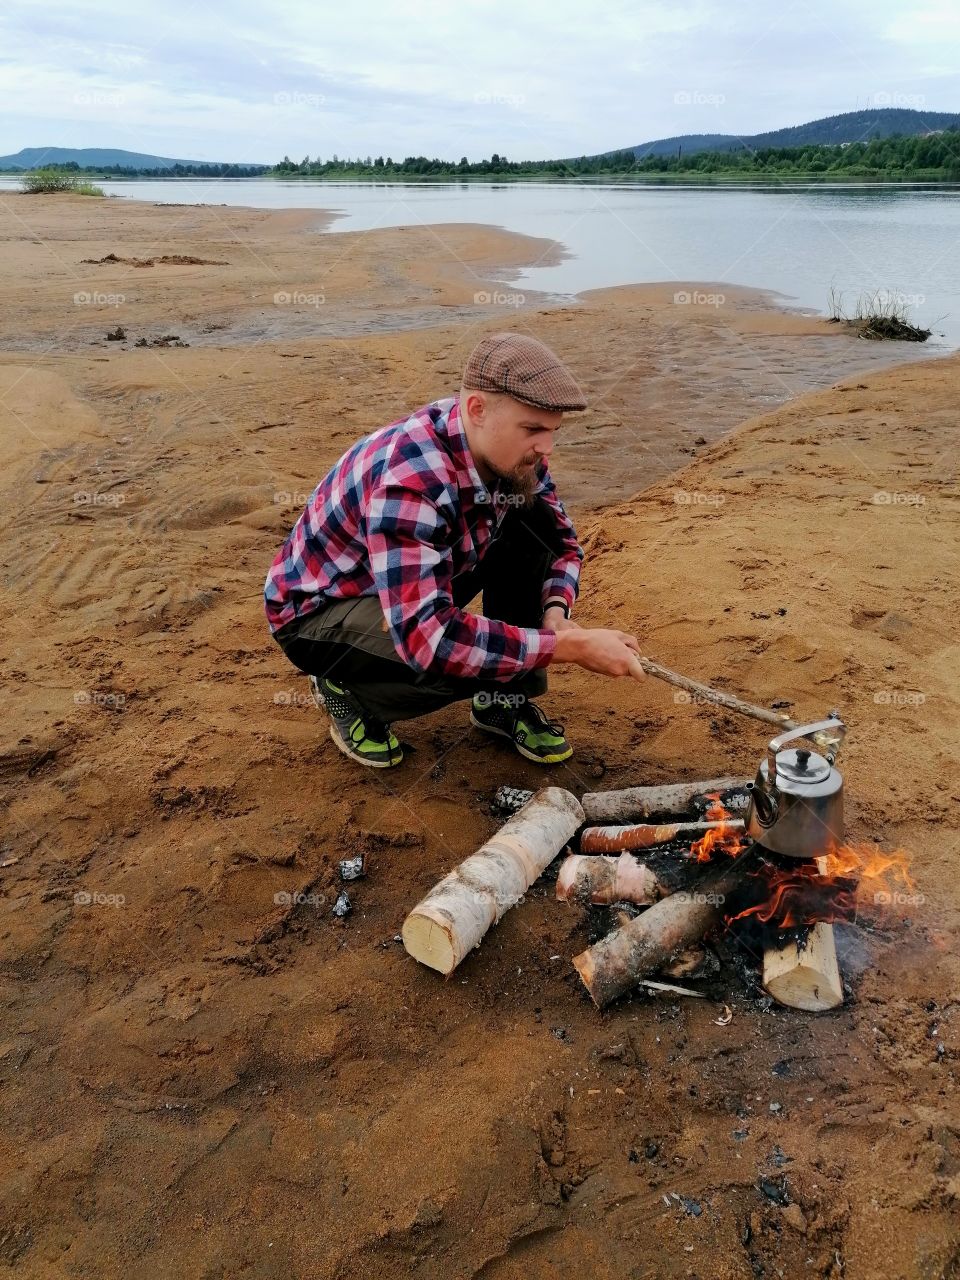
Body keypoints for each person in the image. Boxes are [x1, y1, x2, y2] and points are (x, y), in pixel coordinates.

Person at [264, 331, 643, 768]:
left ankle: (501, 699)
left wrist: (556, 612)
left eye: (553, 431)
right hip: (321, 611)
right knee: (452, 659)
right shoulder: (412, 480)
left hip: (403, 580)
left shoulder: (505, 451)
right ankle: (346, 690)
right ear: (477, 409)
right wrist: (565, 649)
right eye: (533, 429)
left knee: (529, 528)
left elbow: (561, 546)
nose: (546, 447)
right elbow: (430, 639)